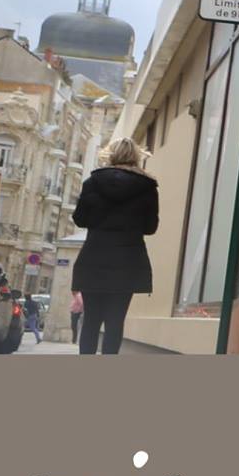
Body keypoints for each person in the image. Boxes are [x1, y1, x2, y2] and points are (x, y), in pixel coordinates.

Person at [70, 138, 159, 355]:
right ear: (136, 156)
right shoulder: (147, 187)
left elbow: (80, 219)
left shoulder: (92, 183)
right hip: (128, 262)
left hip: (94, 259)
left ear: (110, 155)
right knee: (115, 322)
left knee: (91, 321)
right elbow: (150, 227)